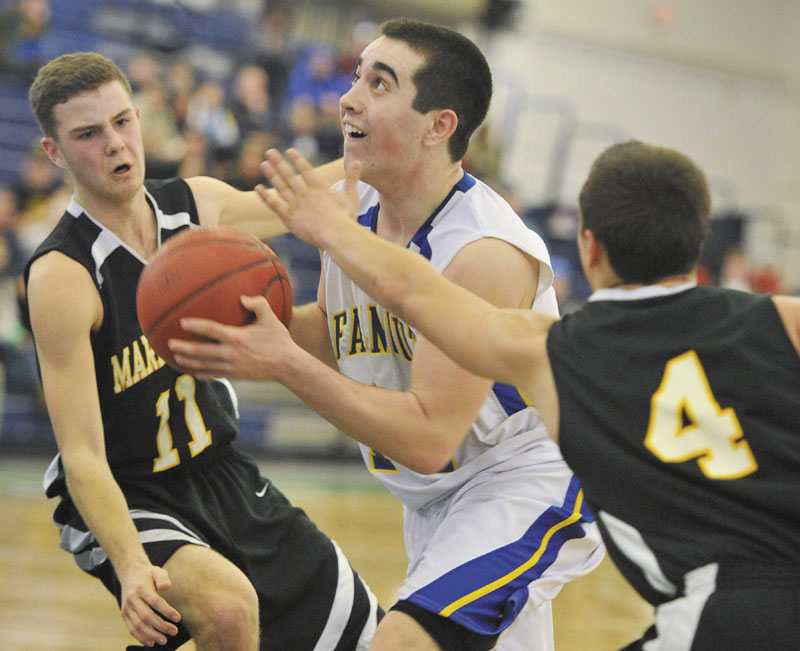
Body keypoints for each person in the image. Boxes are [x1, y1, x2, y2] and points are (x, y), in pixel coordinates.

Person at [224, 140, 800, 650]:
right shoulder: (778, 320)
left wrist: (332, 234)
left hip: (716, 607)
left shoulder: (554, 351)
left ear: (589, 248)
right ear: (699, 243)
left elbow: (420, 292)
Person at [171, 19, 604, 651]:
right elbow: (339, 327)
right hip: (436, 494)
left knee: (400, 641)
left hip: (527, 477)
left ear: (438, 126)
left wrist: (282, 363)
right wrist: (238, 327)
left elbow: (428, 436)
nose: (349, 97)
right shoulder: (352, 202)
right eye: (355, 77)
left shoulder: (483, 251)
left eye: (379, 83)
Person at [23, 52, 381, 651]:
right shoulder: (63, 274)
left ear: (140, 119)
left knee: (369, 633)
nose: (114, 144)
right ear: (55, 152)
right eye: (88, 134)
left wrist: (376, 154)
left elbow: (300, 199)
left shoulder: (194, 204)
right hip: (127, 490)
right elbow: (81, 455)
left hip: (221, 470)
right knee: (227, 607)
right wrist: (133, 565)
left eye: (121, 122)